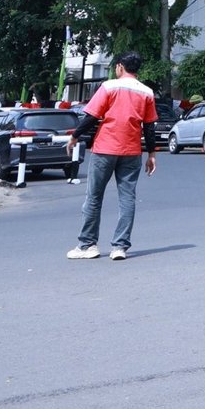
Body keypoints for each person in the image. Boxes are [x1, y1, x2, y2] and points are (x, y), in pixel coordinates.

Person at [66, 52, 158, 261]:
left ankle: (88, 245)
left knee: (94, 197)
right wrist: (151, 153)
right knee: (127, 199)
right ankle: (120, 247)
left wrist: (75, 137)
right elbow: (149, 127)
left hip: (104, 150)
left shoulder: (109, 87)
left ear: (119, 67)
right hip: (132, 152)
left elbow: (92, 117)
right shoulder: (147, 92)